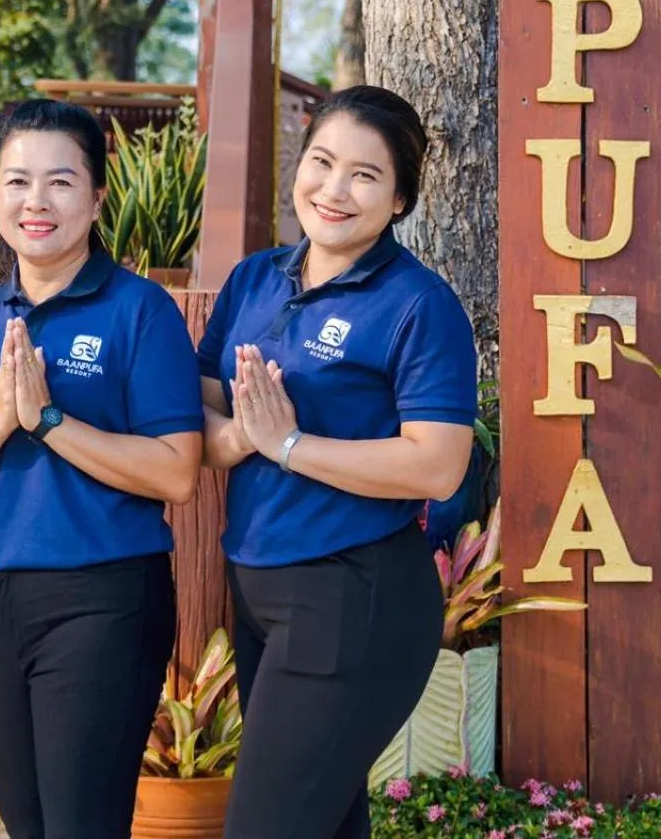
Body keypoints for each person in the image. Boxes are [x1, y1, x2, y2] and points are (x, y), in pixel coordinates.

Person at [0, 100, 203, 839]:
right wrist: (2, 419)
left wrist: (52, 422)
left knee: (80, 826)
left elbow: (176, 472)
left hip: (104, 598)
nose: (37, 202)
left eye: (61, 182)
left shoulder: (139, 311)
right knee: (29, 824)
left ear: (97, 198)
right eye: (17, 181)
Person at [199, 85, 477, 839]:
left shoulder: (419, 305)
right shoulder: (255, 279)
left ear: (399, 200)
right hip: (259, 591)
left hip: (353, 594)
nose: (332, 189)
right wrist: (238, 437)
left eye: (364, 175)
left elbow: (438, 466)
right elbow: (200, 399)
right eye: (321, 162)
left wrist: (289, 446)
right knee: (325, 821)